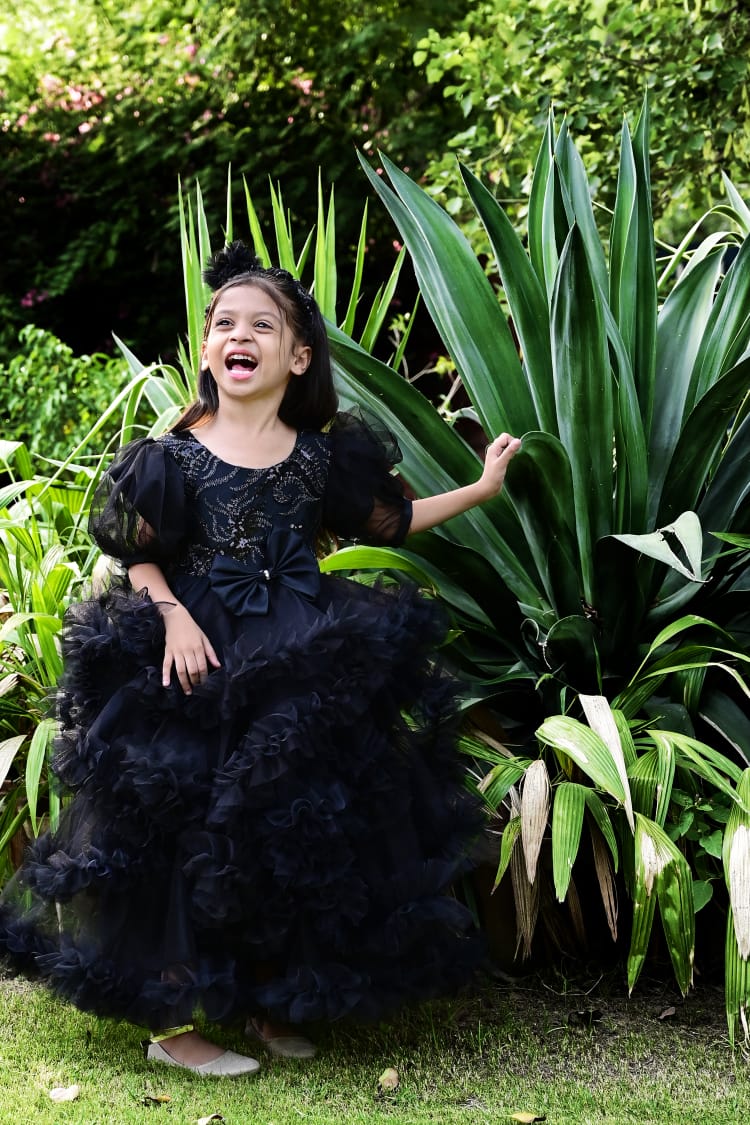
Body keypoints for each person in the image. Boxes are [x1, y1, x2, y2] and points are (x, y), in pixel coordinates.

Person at [0, 243, 521, 1077]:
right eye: (225, 325)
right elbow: (137, 553)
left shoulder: (318, 455)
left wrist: (483, 489)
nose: (239, 336)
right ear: (207, 349)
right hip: (197, 649)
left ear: (299, 356)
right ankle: (173, 1018)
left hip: (299, 647)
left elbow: (389, 520)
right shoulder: (171, 455)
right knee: (185, 824)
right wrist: (171, 616)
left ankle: (272, 995)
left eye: (262, 326)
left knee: (292, 820)